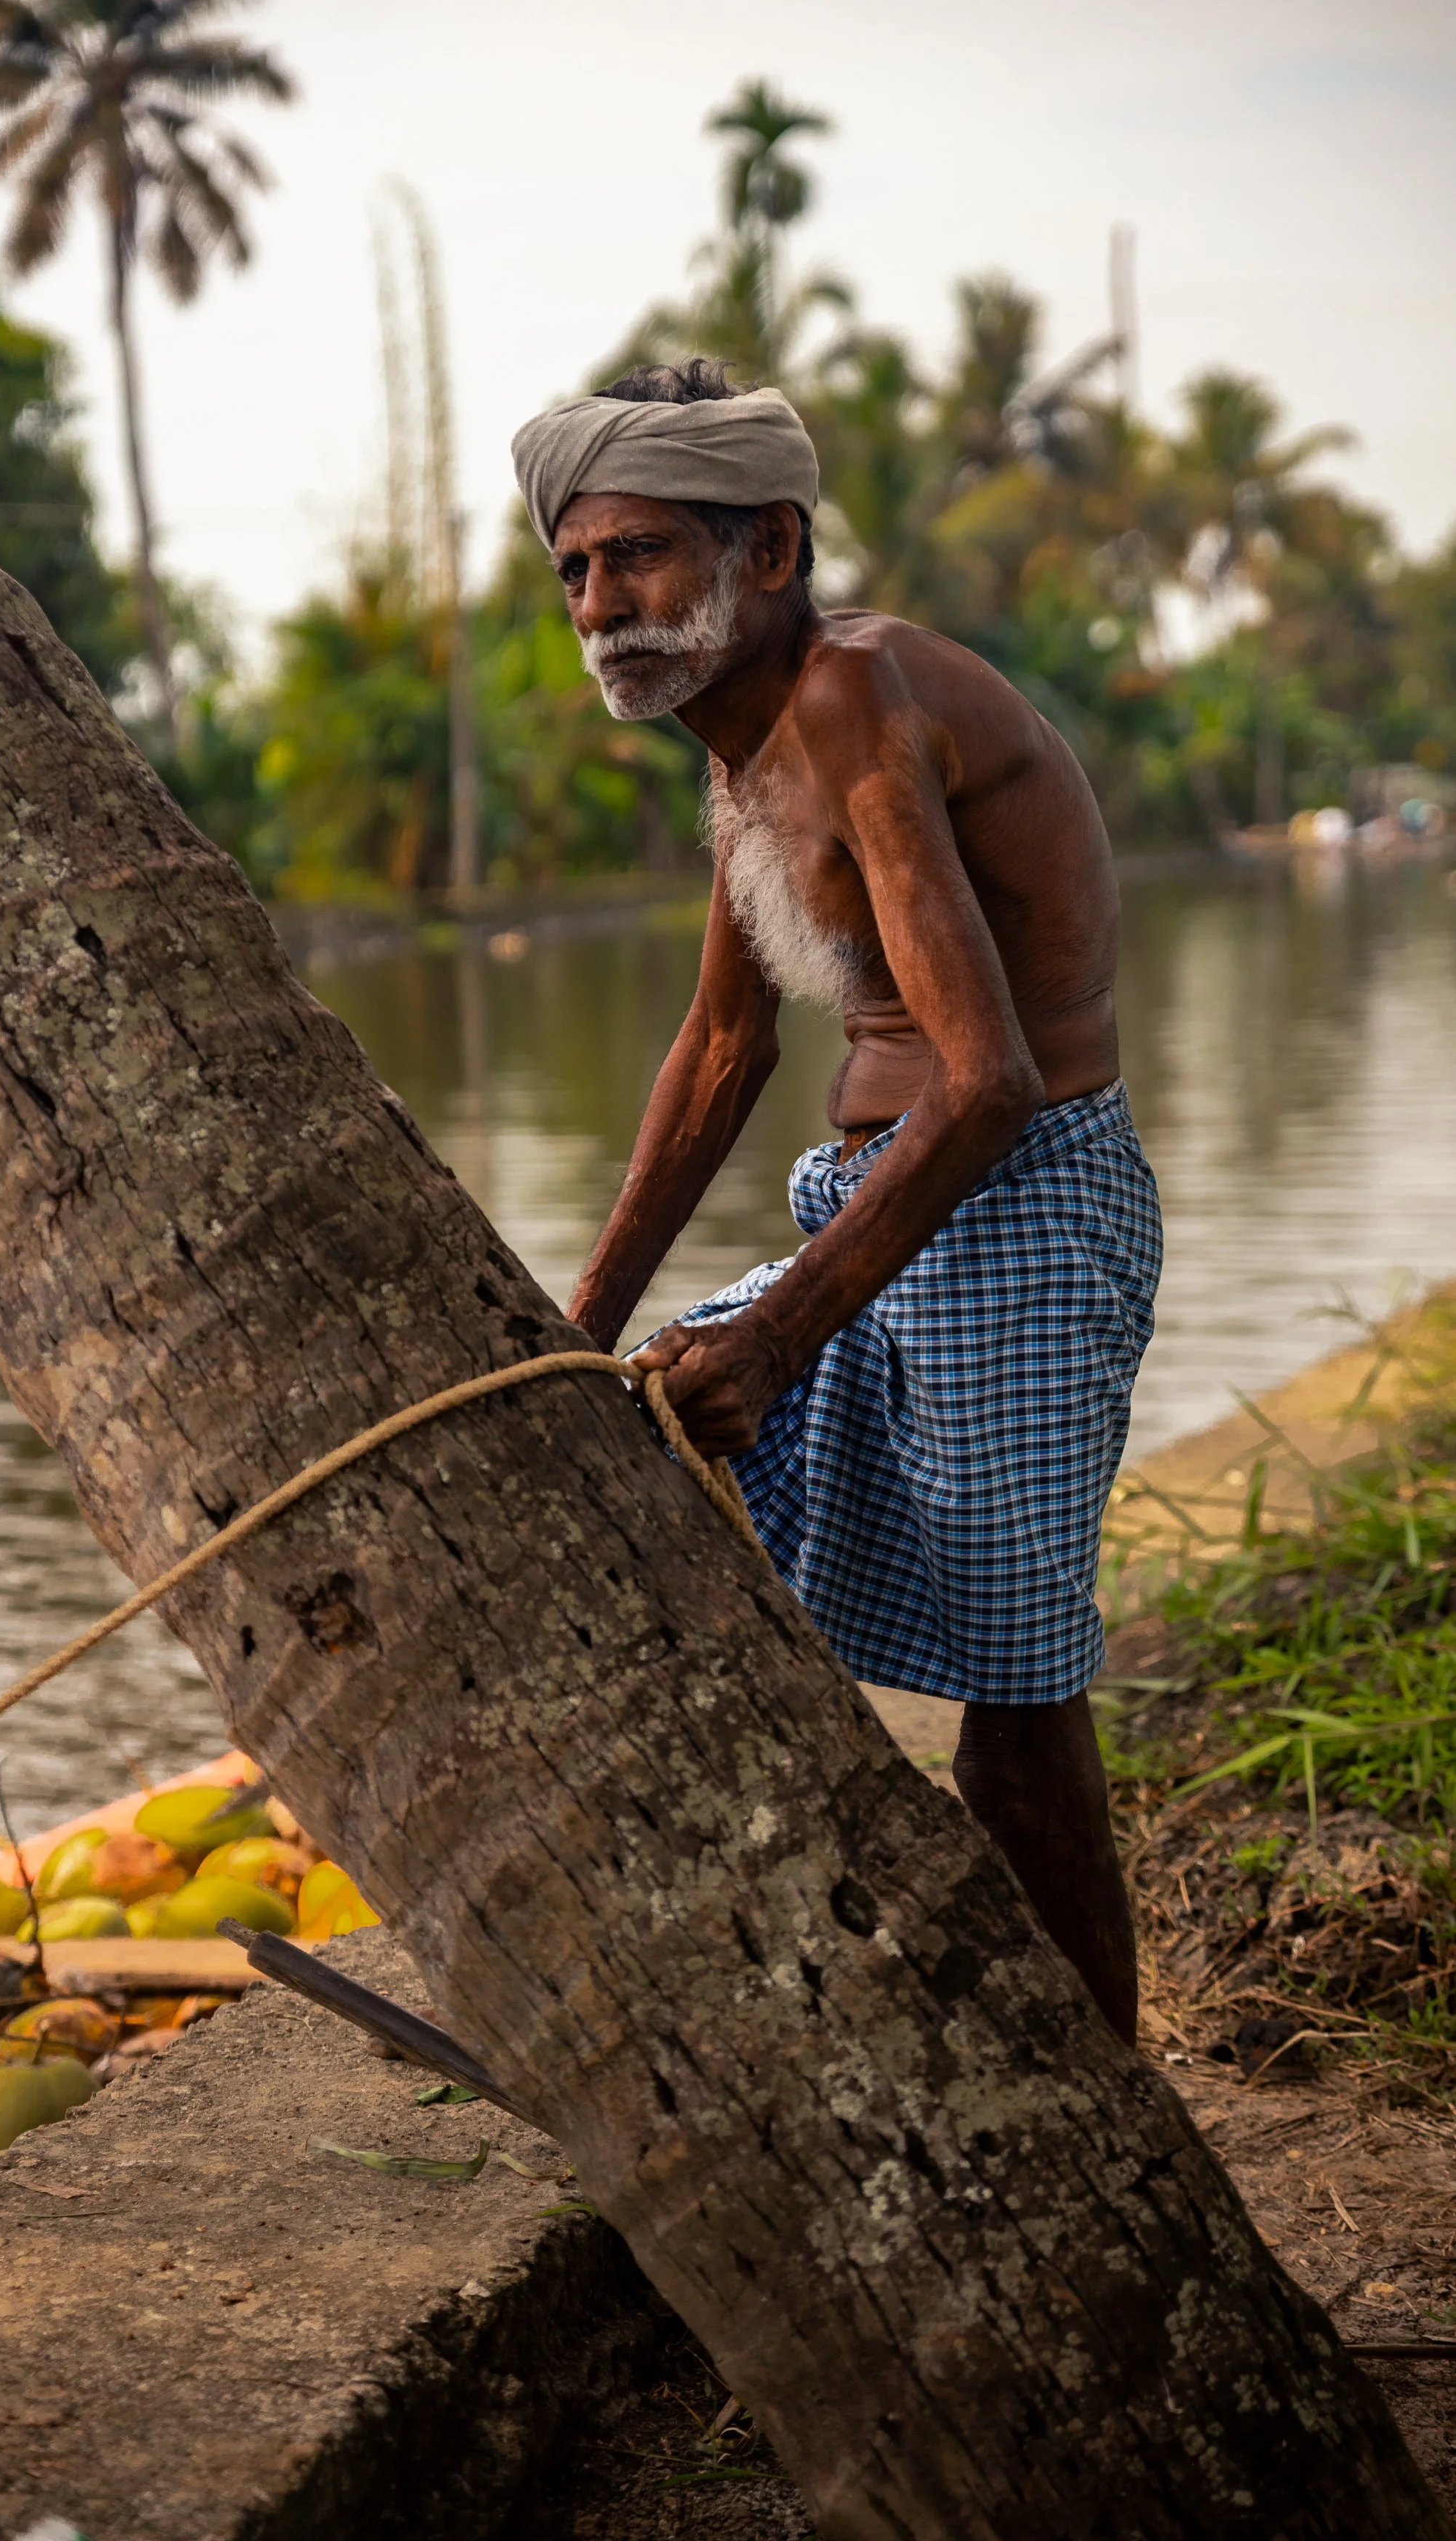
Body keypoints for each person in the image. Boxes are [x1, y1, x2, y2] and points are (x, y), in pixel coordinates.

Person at [511, 359, 1162, 2044]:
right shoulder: (741, 751)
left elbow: (987, 1079)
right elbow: (724, 1047)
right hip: (881, 1205)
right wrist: (567, 1337)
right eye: (574, 569)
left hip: (1021, 1210)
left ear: (770, 550)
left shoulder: (855, 695)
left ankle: (1113, 2096)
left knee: (1017, 1705)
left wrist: (782, 1332)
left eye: (638, 555)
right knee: (651, 1476)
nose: (600, 606)